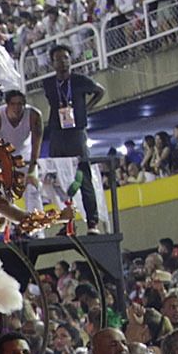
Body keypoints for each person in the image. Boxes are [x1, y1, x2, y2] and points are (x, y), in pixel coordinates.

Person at [36, 48, 100, 225]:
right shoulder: (48, 83)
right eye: (58, 59)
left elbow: (99, 91)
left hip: (77, 133)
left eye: (66, 58)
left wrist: (86, 109)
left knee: (83, 176)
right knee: (59, 179)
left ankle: (92, 222)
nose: (63, 61)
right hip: (57, 133)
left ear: (70, 60)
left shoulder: (80, 80)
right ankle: (66, 223)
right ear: (52, 63)